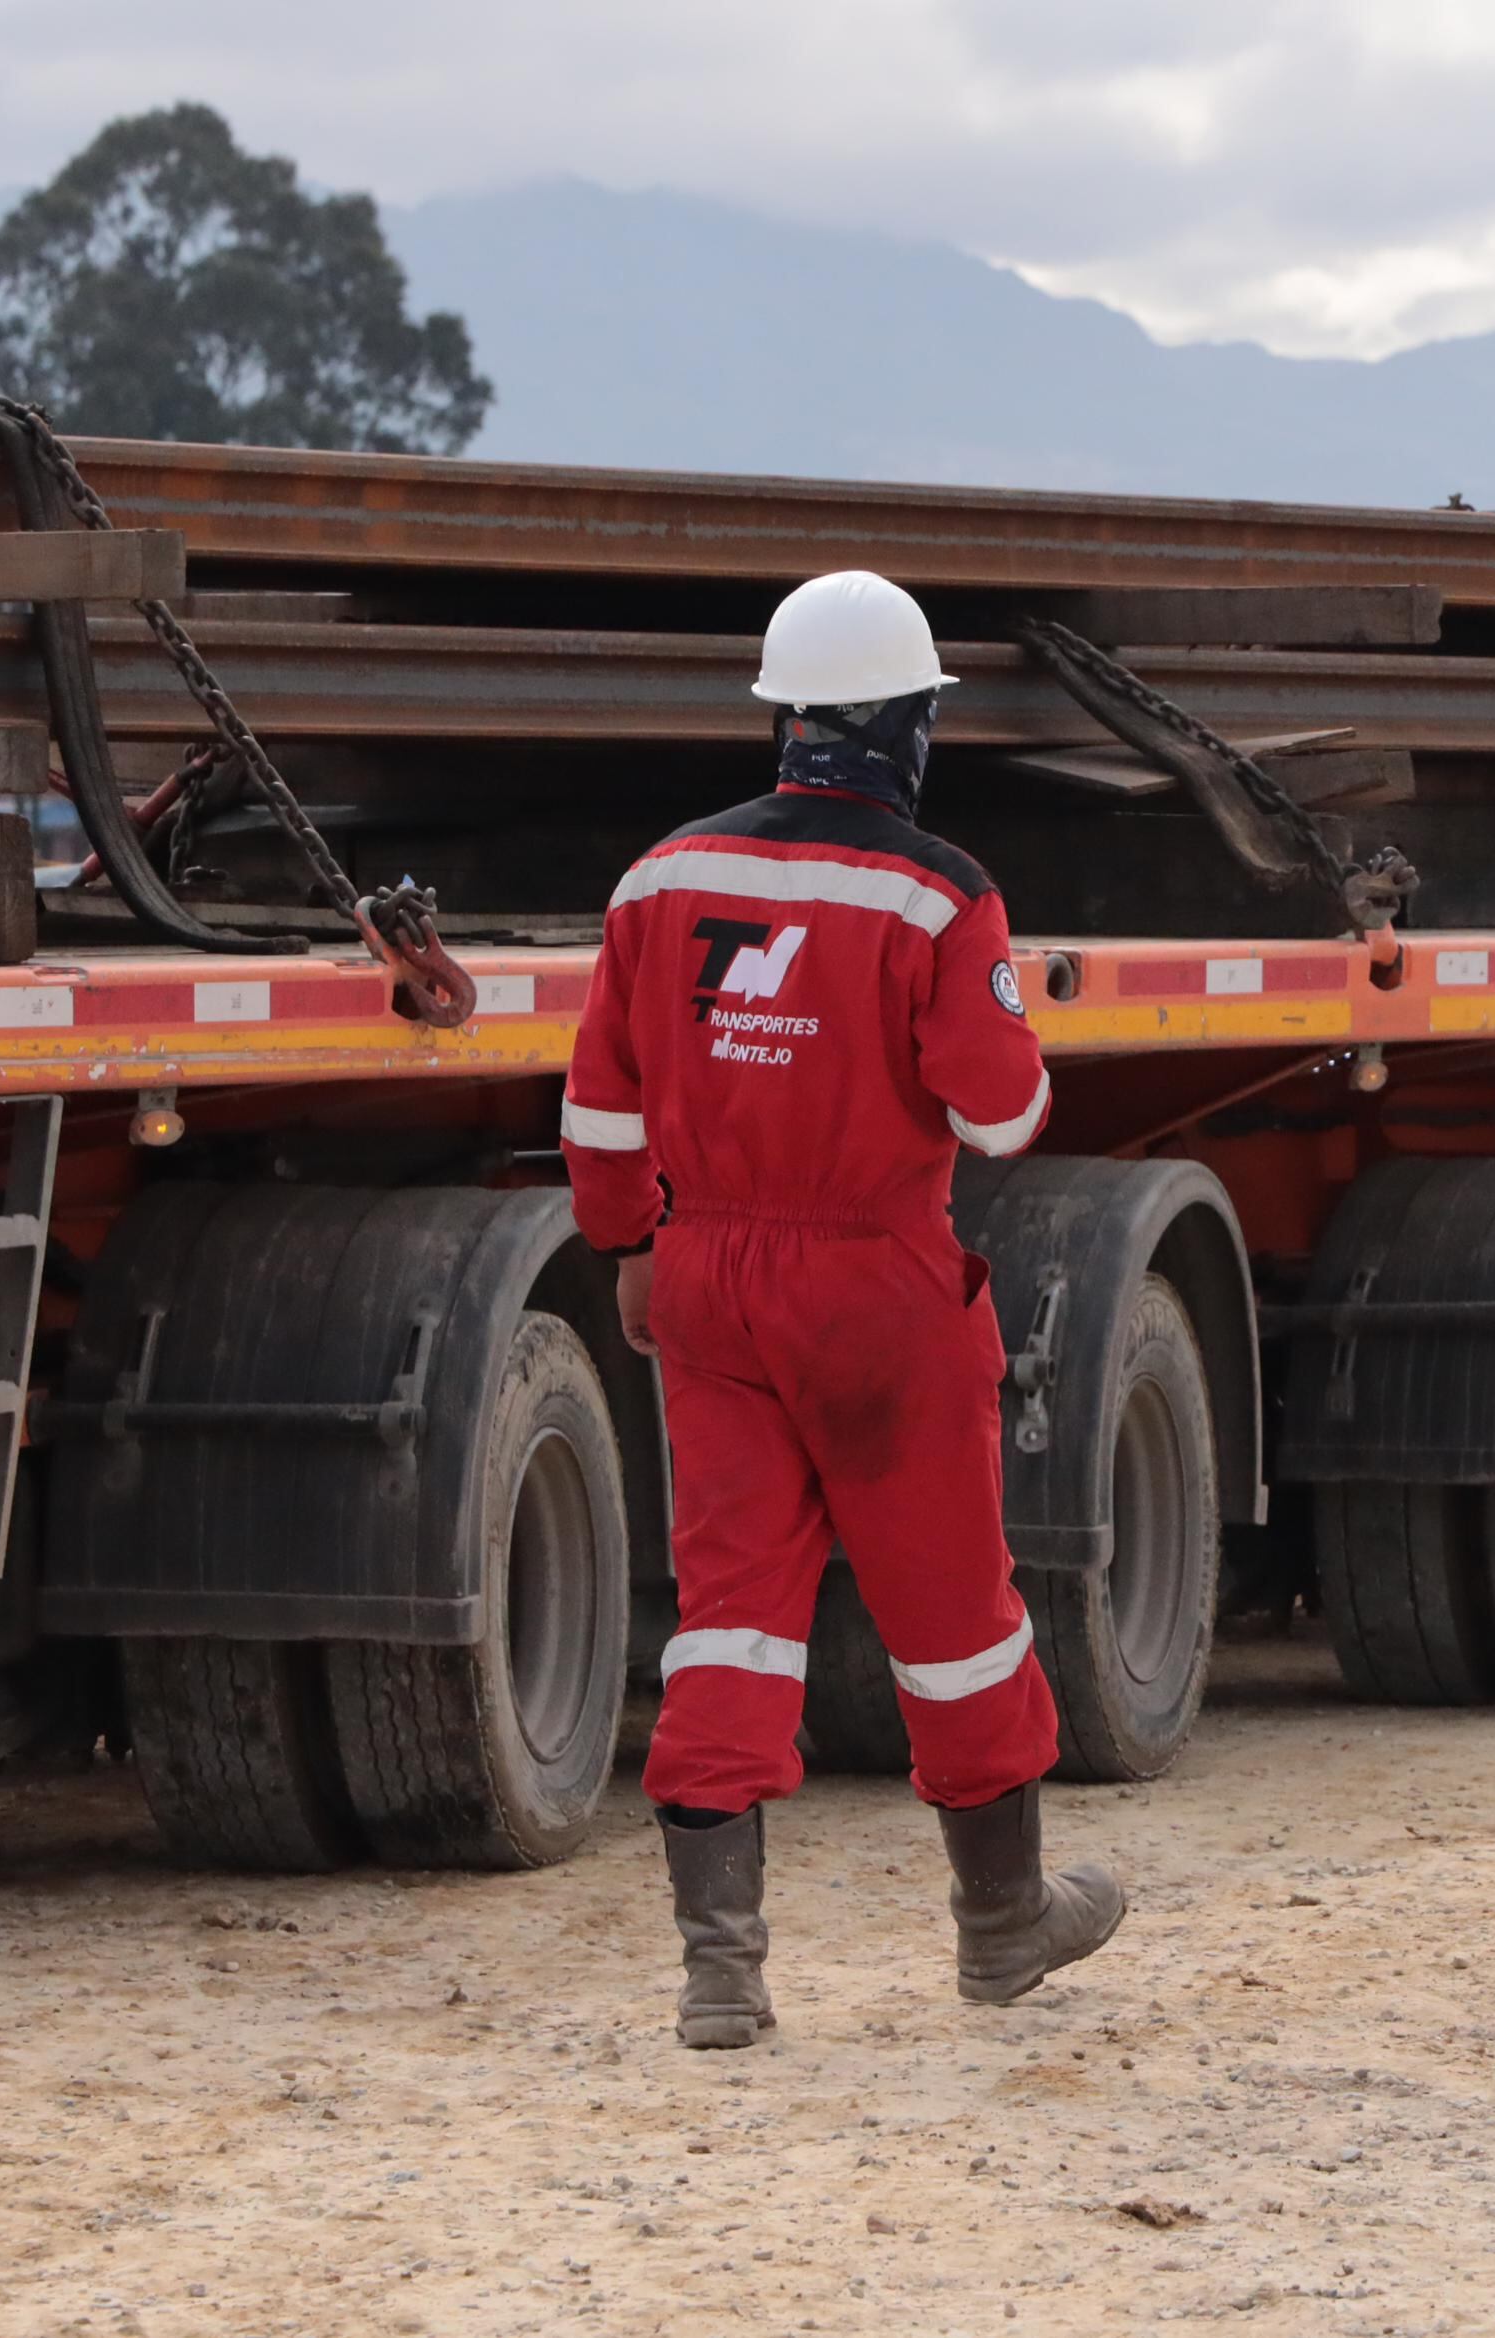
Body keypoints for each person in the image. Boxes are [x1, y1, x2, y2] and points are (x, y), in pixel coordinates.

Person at [560, 569, 1128, 2049]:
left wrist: (631, 1247)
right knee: (951, 1614)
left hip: (704, 1285)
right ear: (908, 729)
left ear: (790, 719)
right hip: (875, 1286)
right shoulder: (941, 891)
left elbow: (603, 1114)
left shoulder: (656, 879)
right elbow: (997, 1116)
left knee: (731, 1614)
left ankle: (720, 1973)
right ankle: (1003, 1926)